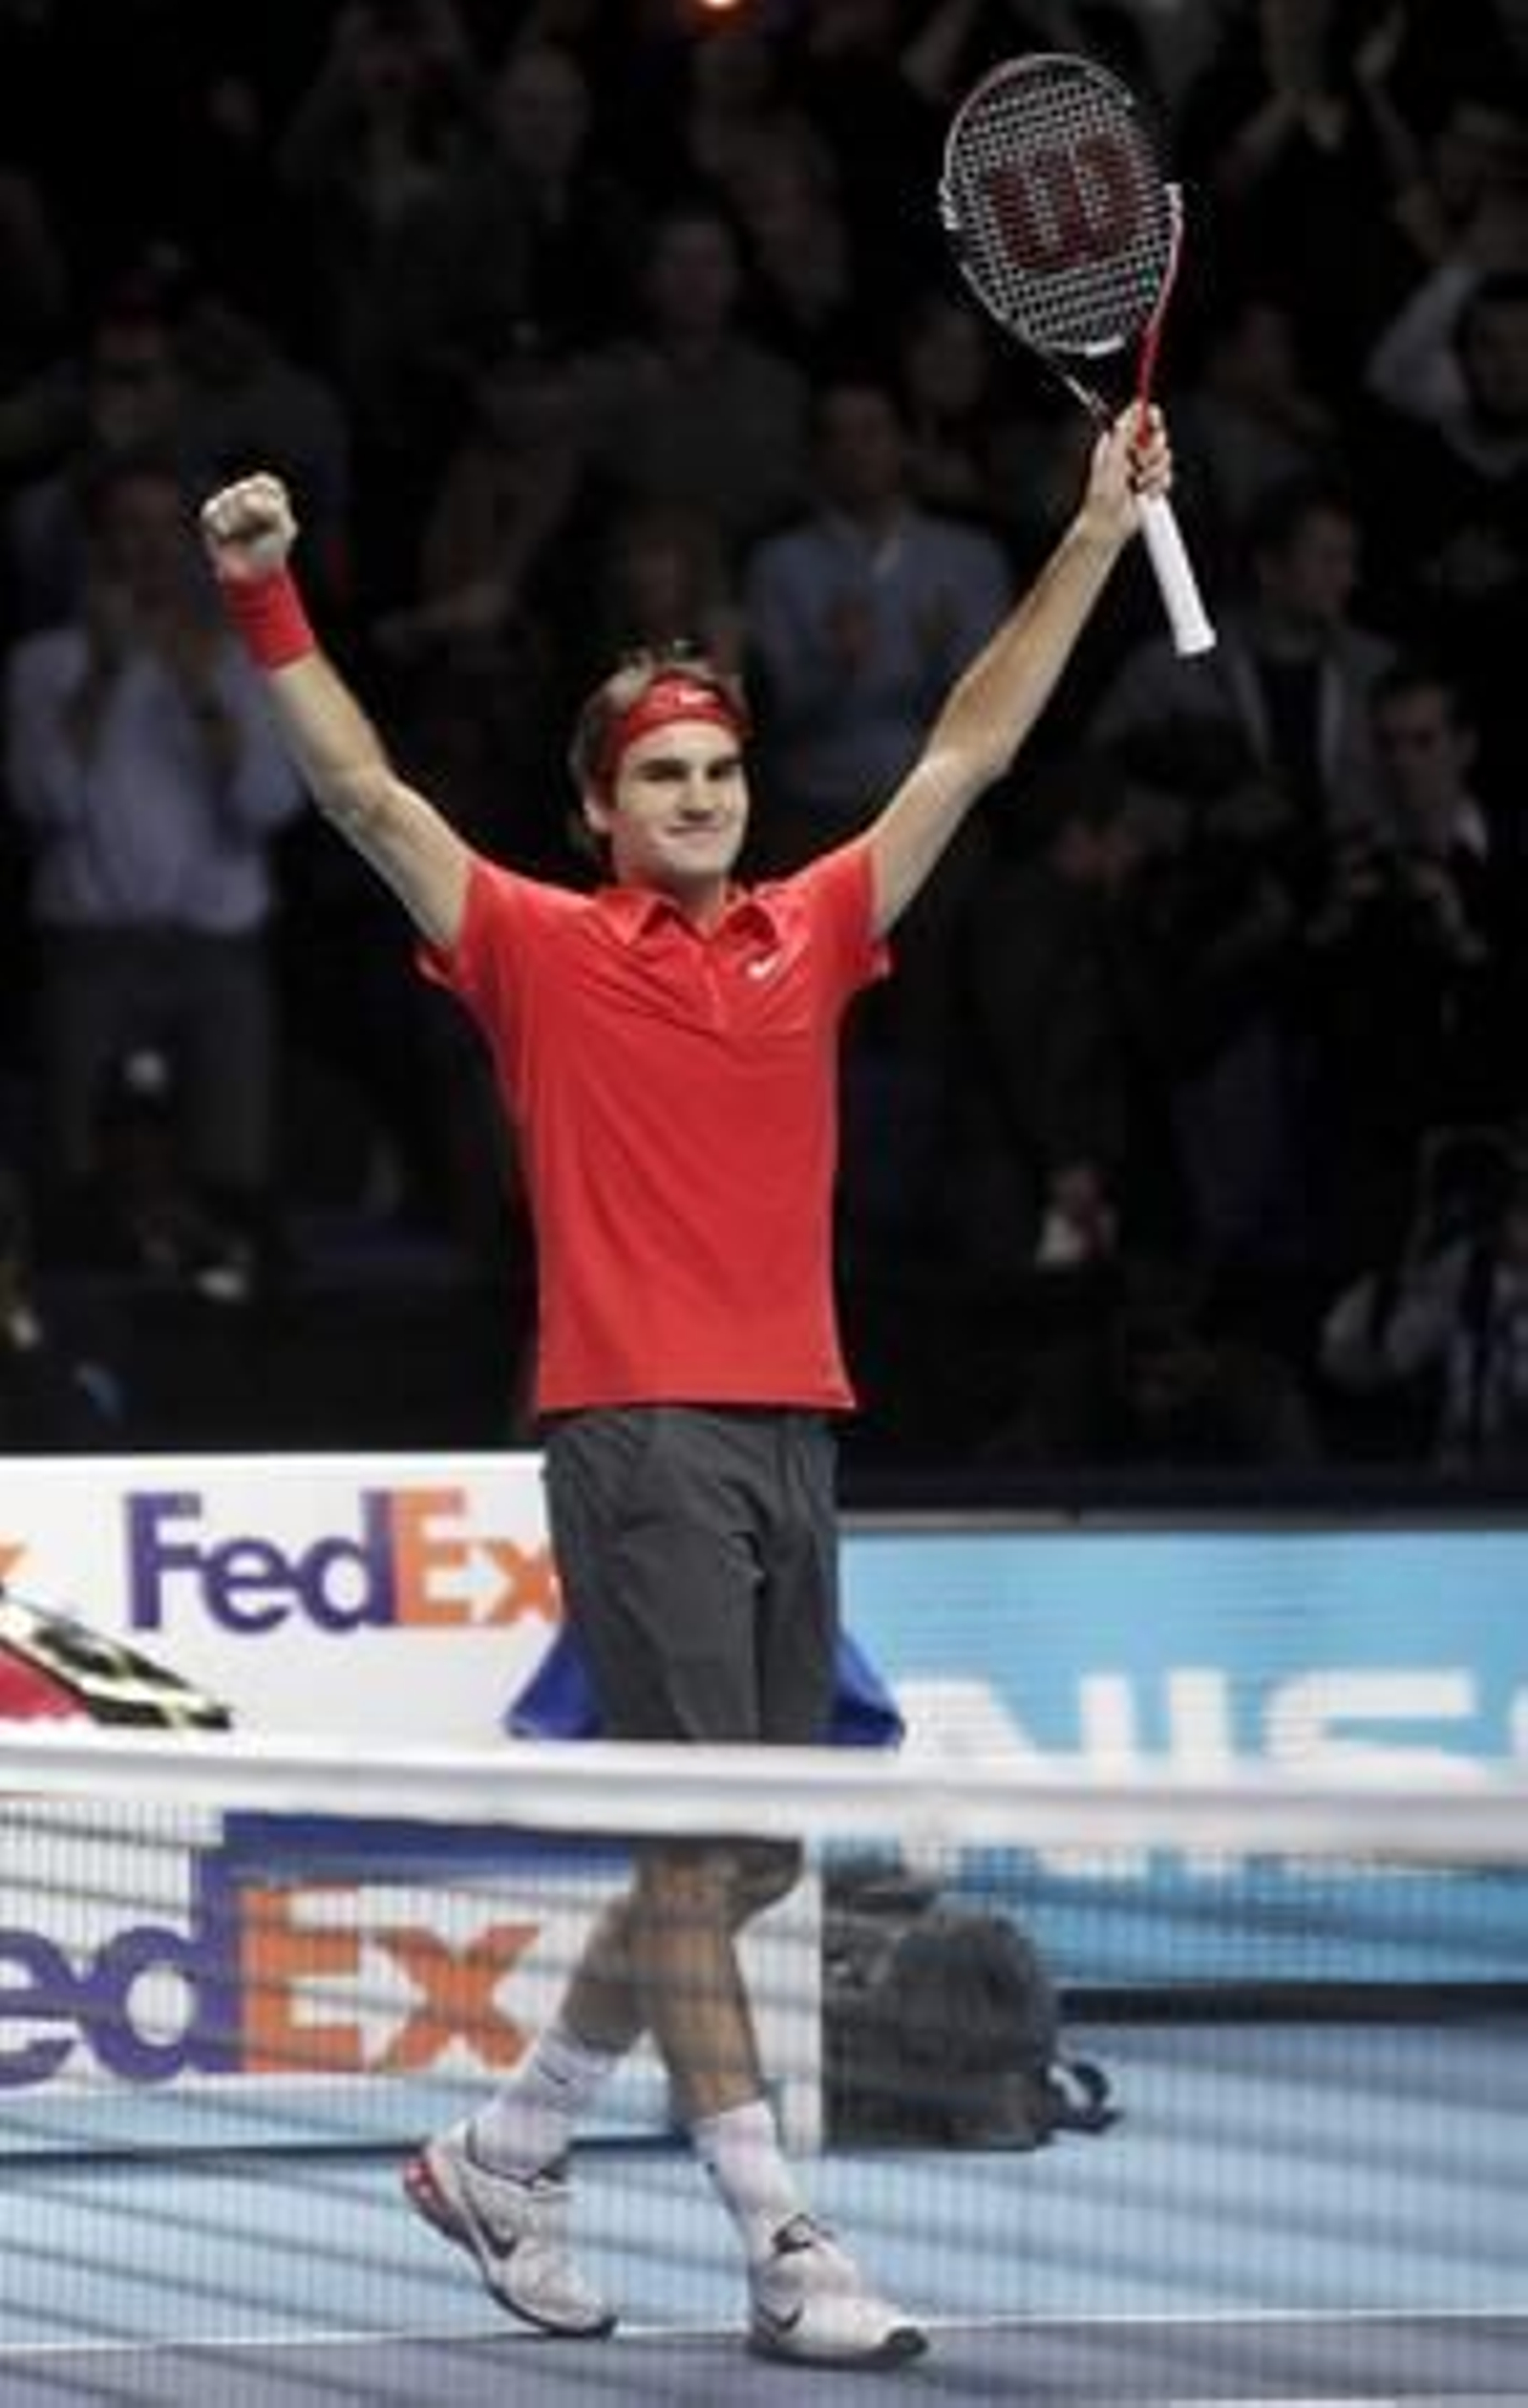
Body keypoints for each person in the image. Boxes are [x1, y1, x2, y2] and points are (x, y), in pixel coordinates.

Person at [196, 398, 1174, 2372]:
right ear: (601, 810)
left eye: (723, 769)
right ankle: (782, 2236)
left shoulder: (808, 936)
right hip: (633, 1430)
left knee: (747, 1855)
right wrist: (260, 591)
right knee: (687, 1851)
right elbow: (371, 797)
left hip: (792, 1427)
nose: (708, 796)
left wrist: (1086, 532)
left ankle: (506, 2143)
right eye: (666, 775)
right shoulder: (538, 949)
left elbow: (968, 744)